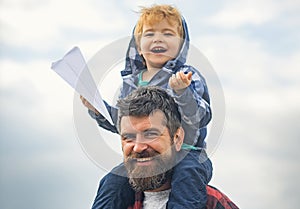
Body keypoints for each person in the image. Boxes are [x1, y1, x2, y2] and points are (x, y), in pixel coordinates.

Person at [83, 4, 213, 209]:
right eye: (149, 33)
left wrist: (182, 92)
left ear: (181, 44)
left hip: (189, 154)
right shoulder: (132, 83)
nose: (158, 39)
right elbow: (124, 124)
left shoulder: (187, 76)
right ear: (138, 45)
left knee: (188, 177)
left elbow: (201, 116)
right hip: (147, 158)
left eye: (168, 33)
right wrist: (98, 110)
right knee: (112, 182)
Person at [92, 86, 238, 209]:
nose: (138, 147)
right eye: (128, 137)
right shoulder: (115, 198)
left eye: (150, 134)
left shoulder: (213, 203)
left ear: (177, 138)